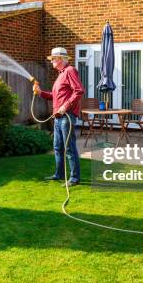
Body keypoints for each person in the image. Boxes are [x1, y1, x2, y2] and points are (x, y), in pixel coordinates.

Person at [33, 47, 85, 186]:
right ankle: (59, 174)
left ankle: (74, 178)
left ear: (61, 59)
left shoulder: (70, 71)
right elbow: (55, 96)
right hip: (57, 117)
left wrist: (65, 106)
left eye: (53, 59)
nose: (52, 62)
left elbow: (79, 91)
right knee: (57, 147)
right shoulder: (61, 74)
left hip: (66, 116)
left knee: (69, 147)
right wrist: (40, 93)